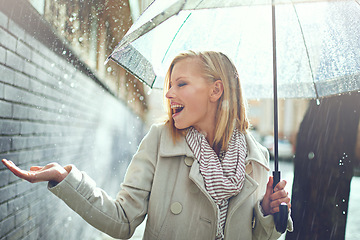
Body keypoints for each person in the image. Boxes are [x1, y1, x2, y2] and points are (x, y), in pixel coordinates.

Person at [2, 50, 293, 240]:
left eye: (181, 84)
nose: (168, 93)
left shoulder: (256, 158)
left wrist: (267, 212)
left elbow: (255, 236)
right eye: (169, 84)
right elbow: (123, 221)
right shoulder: (160, 141)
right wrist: (67, 180)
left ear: (216, 90)